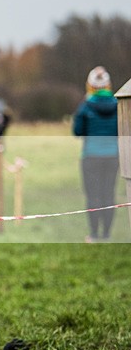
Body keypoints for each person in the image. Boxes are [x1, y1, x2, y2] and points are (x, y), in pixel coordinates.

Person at [73, 66, 119, 242]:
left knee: (93, 195)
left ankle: (93, 234)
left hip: (91, 156)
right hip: (112, 156)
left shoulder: (85, 106)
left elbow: (77, 131)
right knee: (109, 194)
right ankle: (106, 234)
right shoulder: (117, 105)